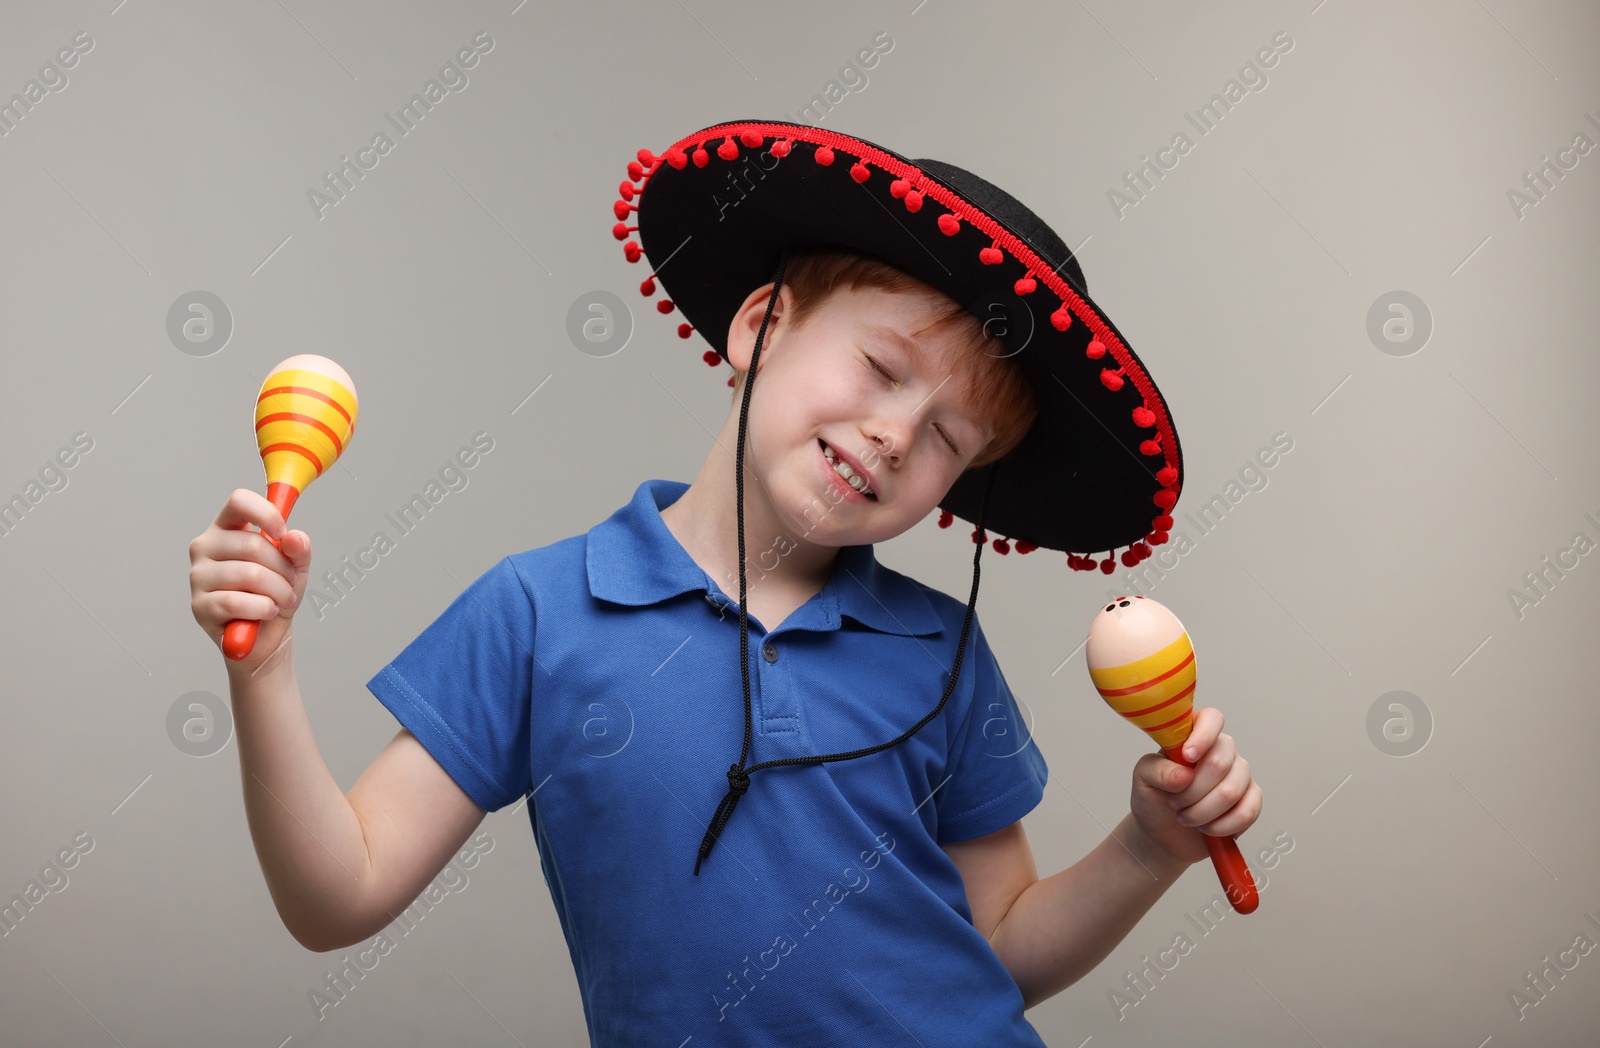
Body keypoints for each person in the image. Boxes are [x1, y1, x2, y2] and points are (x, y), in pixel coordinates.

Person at [189, 119, 1260, 1045]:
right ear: (759, 325)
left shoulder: (940, 652)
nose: (893, 434)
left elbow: (1001, 950)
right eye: (882, 370)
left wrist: (1144, 846)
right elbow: (337, 896)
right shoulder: (536, 612)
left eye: (947, 435)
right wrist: (266, 667)